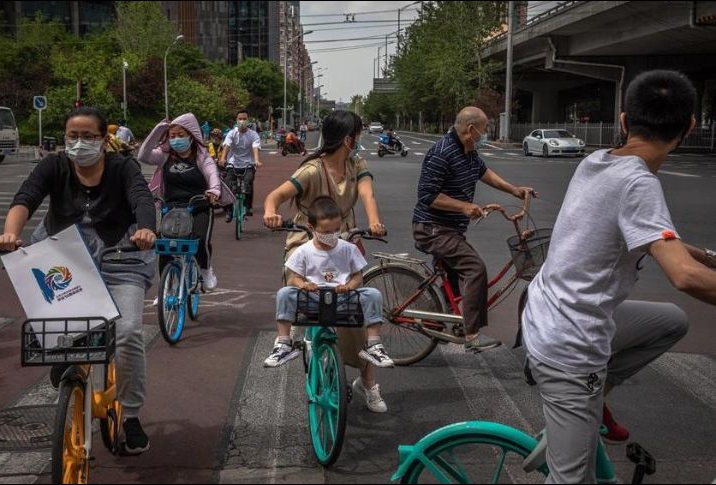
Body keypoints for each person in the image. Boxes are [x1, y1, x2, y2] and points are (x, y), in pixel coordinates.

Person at [522, 70, 716, 483]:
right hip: (568, 342)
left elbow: (652, 236)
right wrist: (697, 265)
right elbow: (683, 276)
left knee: (671, 322)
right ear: (691, 126)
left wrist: (709, 258)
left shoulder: (598, 160)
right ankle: (573, 405)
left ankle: (582, 408)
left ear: (624, 122)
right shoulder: (638, 185)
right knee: (571, 481)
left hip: (551, 309)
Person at [0, 106, 156, 455]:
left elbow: (142, 198)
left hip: (121, 256)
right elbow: (26, 197)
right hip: (64, 259)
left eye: (88, 137)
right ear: (64, 138)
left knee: (127, 332)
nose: (79, 143)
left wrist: (146, 228)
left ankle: (130, 415)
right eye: (73, 136)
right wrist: (10, 234)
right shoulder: (53, 165)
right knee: (61, 326)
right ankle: (66, 357)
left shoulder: (122, 166)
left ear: (103, 140)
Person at [263, 110, 389, 413]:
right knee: (299, 290)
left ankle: (368, 384)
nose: (358, 142)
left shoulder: (357, 164)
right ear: (348, 139)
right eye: (357, 136)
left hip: (343, 242)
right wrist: (270, 212)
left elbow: (367, 194)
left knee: (355, 317)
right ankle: (289, 336)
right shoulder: (311, 170)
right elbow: (275, 196)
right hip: (307, 242)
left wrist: (374, 222)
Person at [412, 106, 535, 353]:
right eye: (485, 129)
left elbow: (484, 173)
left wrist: (514, 190)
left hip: (449, 230)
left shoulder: (468, 152)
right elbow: (428, 196)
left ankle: (451, 320)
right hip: (432, 228)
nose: (486, 133)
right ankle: (472, 335)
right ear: (471, 129)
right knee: (475, 268)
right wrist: (465, 207)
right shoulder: (442, 153)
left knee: (456, 277)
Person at [265, 196, 394, 369]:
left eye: (336, 230)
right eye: (326, 232)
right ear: (312, 228)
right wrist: (304, 285)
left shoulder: (348, 249)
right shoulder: (304, 251)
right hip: (312, 299)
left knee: (373, 294)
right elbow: (294, 278)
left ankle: (373, 344)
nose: (332, 235)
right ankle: (283, 343)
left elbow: (357, 276)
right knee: (284, 293)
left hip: (342, 300)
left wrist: (349, 287)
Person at [138, 114, 234, 292]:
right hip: (171, 206)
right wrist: (158, 130)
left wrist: (214, 190)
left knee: (200, 239)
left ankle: (205, 269)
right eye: (172, 136)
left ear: (191, 135)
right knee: (165, 246)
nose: (176, 139)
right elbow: (143, 155)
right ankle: (167, 289)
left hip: (199, 205)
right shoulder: (164, 156)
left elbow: (212, 173)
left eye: (180, 135)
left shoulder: (202, 156)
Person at [219, 109, 262, 222]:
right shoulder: (232, 133)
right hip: (232, 164)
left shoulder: (253, 134)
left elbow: (255, 147)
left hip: (248, 164)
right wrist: (223, 159)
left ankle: (247, 207)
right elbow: (227, 146)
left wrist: (257, 160)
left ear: (248, 120)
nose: (242, 121)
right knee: (227, 185)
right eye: (240, 119)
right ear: (236, 120)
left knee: (248, 183)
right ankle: (228, 211)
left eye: (244, 119)